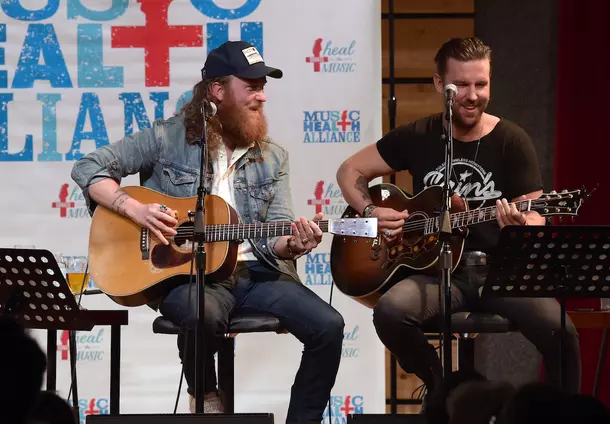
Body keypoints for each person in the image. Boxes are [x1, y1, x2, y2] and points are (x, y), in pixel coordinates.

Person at [71, 40, 344, 423]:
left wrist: (294, 244)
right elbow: (88, 169)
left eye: (263, 86)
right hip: (187, 275)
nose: (262, 96)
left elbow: (276, 236)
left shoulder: (274, 156)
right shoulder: (167, 139)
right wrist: (136, 209)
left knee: (329, 326)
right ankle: (204, 392)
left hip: (257, 275)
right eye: (251, 86)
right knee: (201, 313)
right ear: (218, 90)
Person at [335, 37, 581, 403]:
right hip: (435, 271)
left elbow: (535, 214)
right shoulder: (420, 135)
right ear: (439, 85)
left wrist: (521, 227)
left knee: (562, 332)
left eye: (481, 85)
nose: (472, 95)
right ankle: (438, 388)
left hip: (499, 274)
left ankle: (559, 415)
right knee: (390, 311)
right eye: (461, 85)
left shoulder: (512, 141)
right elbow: (350, 169)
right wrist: (371, 212)